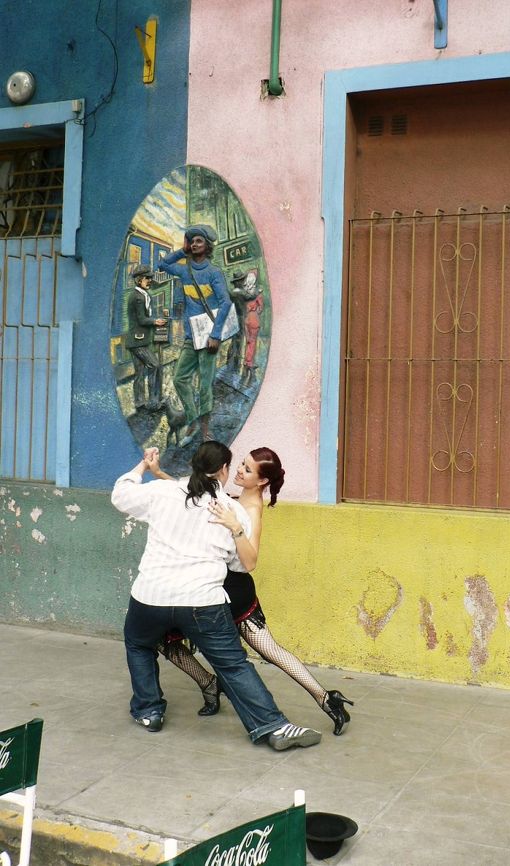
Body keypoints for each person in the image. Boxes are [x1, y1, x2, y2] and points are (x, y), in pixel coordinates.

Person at [111, 440, 322, 751]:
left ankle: (148, 710)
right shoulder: (232, 510)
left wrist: (144, 466)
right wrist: (234, 531)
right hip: (203, 601)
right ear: (223, 470)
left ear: (194, 465)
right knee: (234, 665)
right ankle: (273, 726)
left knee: (138, 644)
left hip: (150, 596)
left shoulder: (161, 492)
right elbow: (241, 564)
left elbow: (121, 495)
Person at [148, 446, 354, 736]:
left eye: (247, 469)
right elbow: (194, 494)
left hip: (230, 589)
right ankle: (325, 697)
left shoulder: (252, 508)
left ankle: (212, 684)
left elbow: (251, 560)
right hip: (218, 585)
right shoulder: (240, 496)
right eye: (241, 464)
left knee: (168, 637)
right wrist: (158, 474)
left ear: (261, 482)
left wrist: (235, 528)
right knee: (267, 650)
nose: (239, 471)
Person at [159, 225, 232, 446]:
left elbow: (225, 302)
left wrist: (216, 334)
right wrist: (182, 251)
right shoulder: (184, 269)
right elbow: (162, 264)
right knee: (180, 378)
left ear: (207, 245)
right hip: (192, 337)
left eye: (199, 241)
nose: (194, 244)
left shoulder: (214, 272)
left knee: (205, 384)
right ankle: (192, 419)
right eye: (192, 241)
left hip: (209, 338)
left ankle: (205, 429)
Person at [125, 264, 167, 412]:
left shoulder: (142, 294)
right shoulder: (137, 297)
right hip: (138, 341)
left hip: (137, 340)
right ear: (138, 280)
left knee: (140, 372)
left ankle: (139, 403)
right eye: (147, 278)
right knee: (155, 365)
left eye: (150, 278)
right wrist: (155, 321)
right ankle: (154, 402)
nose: (150, 280)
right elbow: (142, 320)